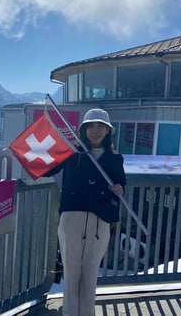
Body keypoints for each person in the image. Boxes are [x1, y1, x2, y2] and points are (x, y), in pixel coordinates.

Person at [47, 108, 126, 316]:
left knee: (90, 274)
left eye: (101, 126)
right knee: (72, 273)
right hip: (71, 219)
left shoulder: (115, 158)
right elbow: (48, 168)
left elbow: (121, 184)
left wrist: (119, 188)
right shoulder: (72, 154)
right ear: (83, 130)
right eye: (91, 126)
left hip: (100, 221)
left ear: (108, 131)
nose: (96, 130)